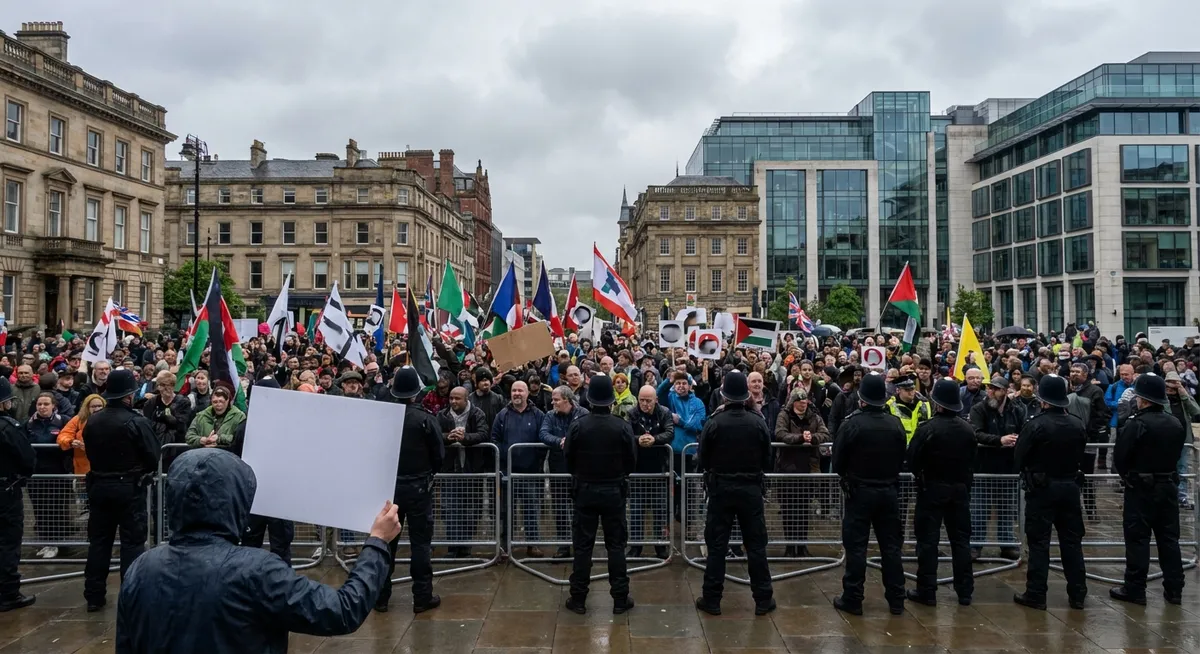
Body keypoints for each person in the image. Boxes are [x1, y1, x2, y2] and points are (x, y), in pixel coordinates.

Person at [115, 448, 404, 653]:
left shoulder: (141, 568)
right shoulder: (256, 570)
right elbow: (341, 611)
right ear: (235, 500)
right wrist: (377, 543)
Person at [694, 371, 776, 617]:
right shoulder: (757, 421)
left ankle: (712, 599)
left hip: (721, 489)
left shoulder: (715, 422)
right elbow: (768, 459)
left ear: (724, 395)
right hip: (750, 489)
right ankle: (763, 599)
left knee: (717, 546)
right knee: (756, 546)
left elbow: (702, 458)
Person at [80, 368, 160, 612]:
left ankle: (94, 595)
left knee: (99, 543)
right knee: (132, 543)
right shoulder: (136, 421)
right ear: (129, 395)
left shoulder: (93, 420)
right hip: (128, 487)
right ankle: (131, 595)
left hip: (99, 485)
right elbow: (153, 455)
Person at [832, 372, 907, 616]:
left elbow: (838, 461)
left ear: (862, 398)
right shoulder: (895, 423)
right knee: (891, 548)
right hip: (888, 491)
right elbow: (902, 456)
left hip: (860, 492)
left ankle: (853, 598)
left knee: (856, 547)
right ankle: (897, 599)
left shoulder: (851, 424)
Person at [562, 375, 638, 615]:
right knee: (616, 546)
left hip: (585, 490)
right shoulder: (622, 426)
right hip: (614, 491)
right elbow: (631, 460)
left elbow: (568, 458)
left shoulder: (578, 425)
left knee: (583, 546)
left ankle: (578, 598)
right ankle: (620, 598)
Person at [1109, 374, 1186, 606]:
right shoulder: (1175, 423)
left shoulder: (1136, 424)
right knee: (1169, 539)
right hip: (1168, 486)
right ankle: (1174, 589)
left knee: (1138, 540)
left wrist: (1130, 477)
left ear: (1142, 399)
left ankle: (1135, 588)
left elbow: (1120, 457)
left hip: (1141, 488)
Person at [1013, 374, 1088, 611]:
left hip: (1042, 490)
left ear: (1043, 399)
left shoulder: (1035, 424)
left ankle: (1036, 594)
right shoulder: (1077, 423)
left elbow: (1019, 457)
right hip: (1069, 487)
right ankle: (1078, 594)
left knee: (1039, 543)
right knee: (1072, 543)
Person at [375, 367, 445, 614]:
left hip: (390, 488)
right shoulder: (426, 419)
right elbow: (439, 456)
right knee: (420, 544)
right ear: (416, 392)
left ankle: (380, 597)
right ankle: (422, 597)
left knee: (386, 543)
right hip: (419, 488)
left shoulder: (385, 420)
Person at [905, 379, 977, 607]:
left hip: (932, 489)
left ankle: (926, 591)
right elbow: (972, 460)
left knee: (928, 542)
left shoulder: (928, 428)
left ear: (937, 403)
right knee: (961, 542)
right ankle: (965, 591)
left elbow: (912, 459)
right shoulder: (967, 429)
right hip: (960, 490)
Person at [233, 379, 295, 565]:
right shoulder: (245, 428)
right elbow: (237, 459)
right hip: (253, 498)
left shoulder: (288, 426)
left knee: (281, 548)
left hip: (279, 496)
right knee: (250, 547)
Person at [967, 375, 1024, 561]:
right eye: (989, 388)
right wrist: (1000, 440)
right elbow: (976, 433)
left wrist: (1017, 440)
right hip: (983, 468)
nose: (990, 391)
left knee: (1006, 509)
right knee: (979, 510)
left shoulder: (1016, 410)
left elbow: (1024, 431)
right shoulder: (979, 409)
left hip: (1008, 469)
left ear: (1005, 391)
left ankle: (1007, 545)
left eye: (995, 388)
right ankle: (975, 545)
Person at [492, 380, 547, 558]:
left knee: (531, 509)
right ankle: (506, 544)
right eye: (514, 390)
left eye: (520, 391)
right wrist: (504, 455)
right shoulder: (502, 415)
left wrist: (536, 458)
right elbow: (495, 438)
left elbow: (543, 437)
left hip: (530, 472)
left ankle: (533, 544)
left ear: (527, 393)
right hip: (507, 472)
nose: (517, 393)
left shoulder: (538, 414)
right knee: (506, 511)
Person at [773, 388, 830, 558]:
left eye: (805, 400)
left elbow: (825, 433)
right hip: (787, 469)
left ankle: (802, 545)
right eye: (799, 401)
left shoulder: (814, 416)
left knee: (804, 509)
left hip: (808, 469)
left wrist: (813, 438)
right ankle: (790, 546)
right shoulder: (784, 415)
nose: (803, 403)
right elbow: (780, 434)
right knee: (788, 509)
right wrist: (800, 438)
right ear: (793, 402)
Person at [436, 386, 490, 558]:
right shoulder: (442, 415)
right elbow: (436, 435)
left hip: (471, 469)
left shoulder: (477, 414)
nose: (453, 401)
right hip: (450, 469)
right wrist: (448, 437)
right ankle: (453, 547)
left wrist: (465, 438)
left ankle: (466, 546)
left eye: (457, 398)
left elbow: (483, 434)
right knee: (450, 509)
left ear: (466, 399)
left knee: (470, 509)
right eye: (451, 398)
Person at [0, 379, 37, 612]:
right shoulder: (7, 427)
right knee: (7, 541)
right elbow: (27, 458)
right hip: (5, 491)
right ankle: (8, 593)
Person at [540, 386, 589, 559]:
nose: (553, 403)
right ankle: (564, 545)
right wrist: (559, 441)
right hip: (558, 468)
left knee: (580, 508)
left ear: (567, 400)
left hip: (579, 468)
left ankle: (581, 544)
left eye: (556, 400)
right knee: (560, 508)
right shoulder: (550, 415)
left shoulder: (582, 413)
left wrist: (571, 441)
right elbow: (543, 434)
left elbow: (587, 433)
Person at [626, 384, 673, 560]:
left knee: (660, 510)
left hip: (659, 469)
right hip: (637, 469)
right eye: (642, 400)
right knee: (636, 511)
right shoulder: (632, 413)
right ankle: (635, 547)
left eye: (648, 401)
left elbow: (670, 432)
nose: (645, 404)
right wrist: (639, 439)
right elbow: (626, 434)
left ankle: (661, 546)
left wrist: (655, 439)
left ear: (656, 400)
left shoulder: (664, 412)